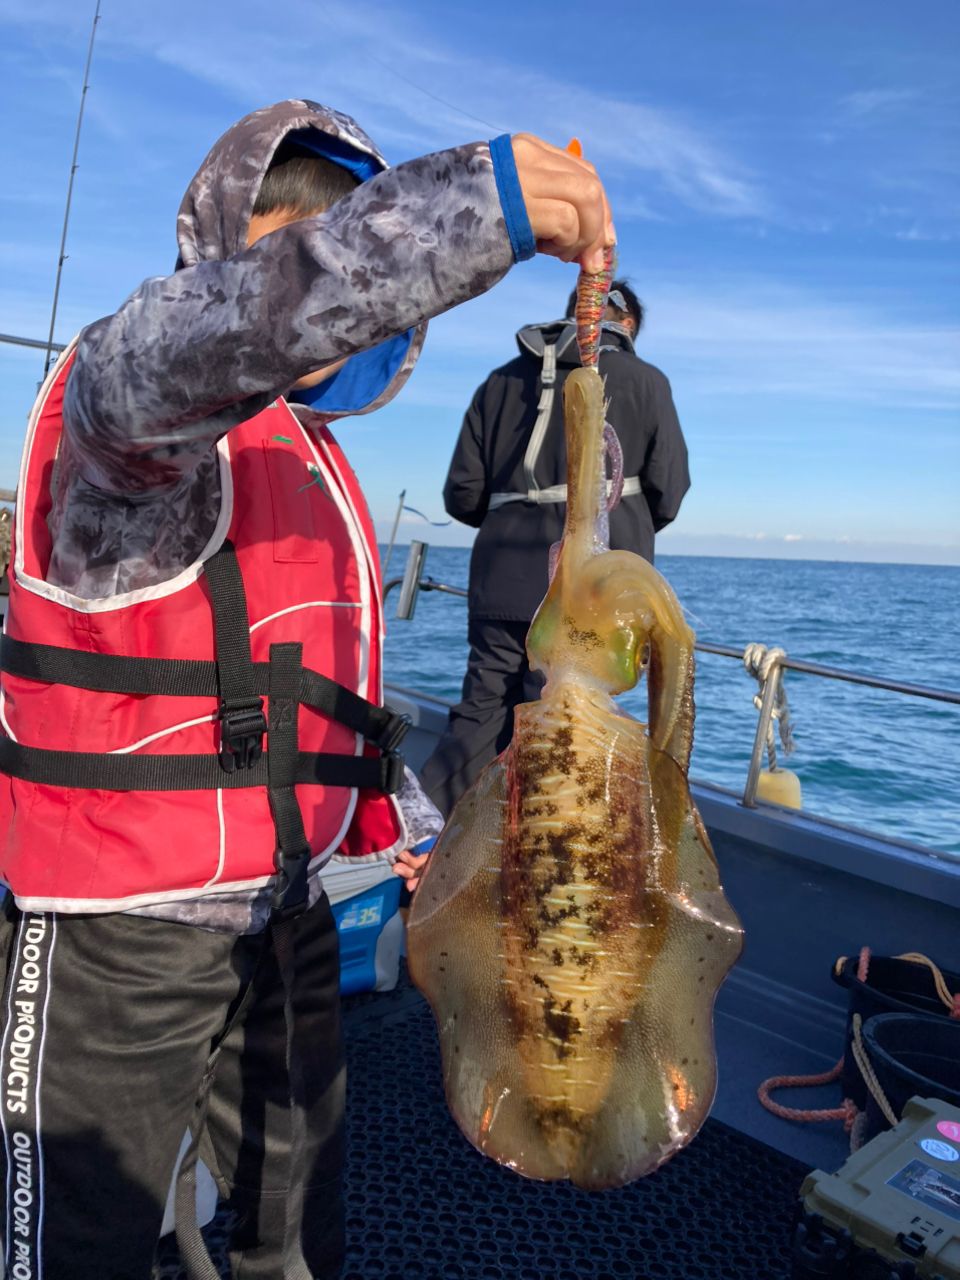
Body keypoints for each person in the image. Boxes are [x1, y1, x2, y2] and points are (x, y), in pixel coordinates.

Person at [0, 99, 612, 1279]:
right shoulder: (125, 400)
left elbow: (328, 702)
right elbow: (231, 328)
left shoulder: (315, 460)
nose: (336, 297)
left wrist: (414, 832)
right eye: (296, 251)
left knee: (298, 1234)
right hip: (117, 930)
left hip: (291, 908)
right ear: (231, 259)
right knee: (69, 1247)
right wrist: (474, 208)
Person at [420, 280, 690, 817]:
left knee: (482, 708)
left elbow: (462, 494)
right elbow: (669, 489)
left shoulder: (499, 382)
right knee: (569, 735)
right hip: (595, 597)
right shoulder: (648, 382)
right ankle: (530, 867)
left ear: (574, 313)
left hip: (502, 574)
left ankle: (422, 841)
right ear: (628, 325)